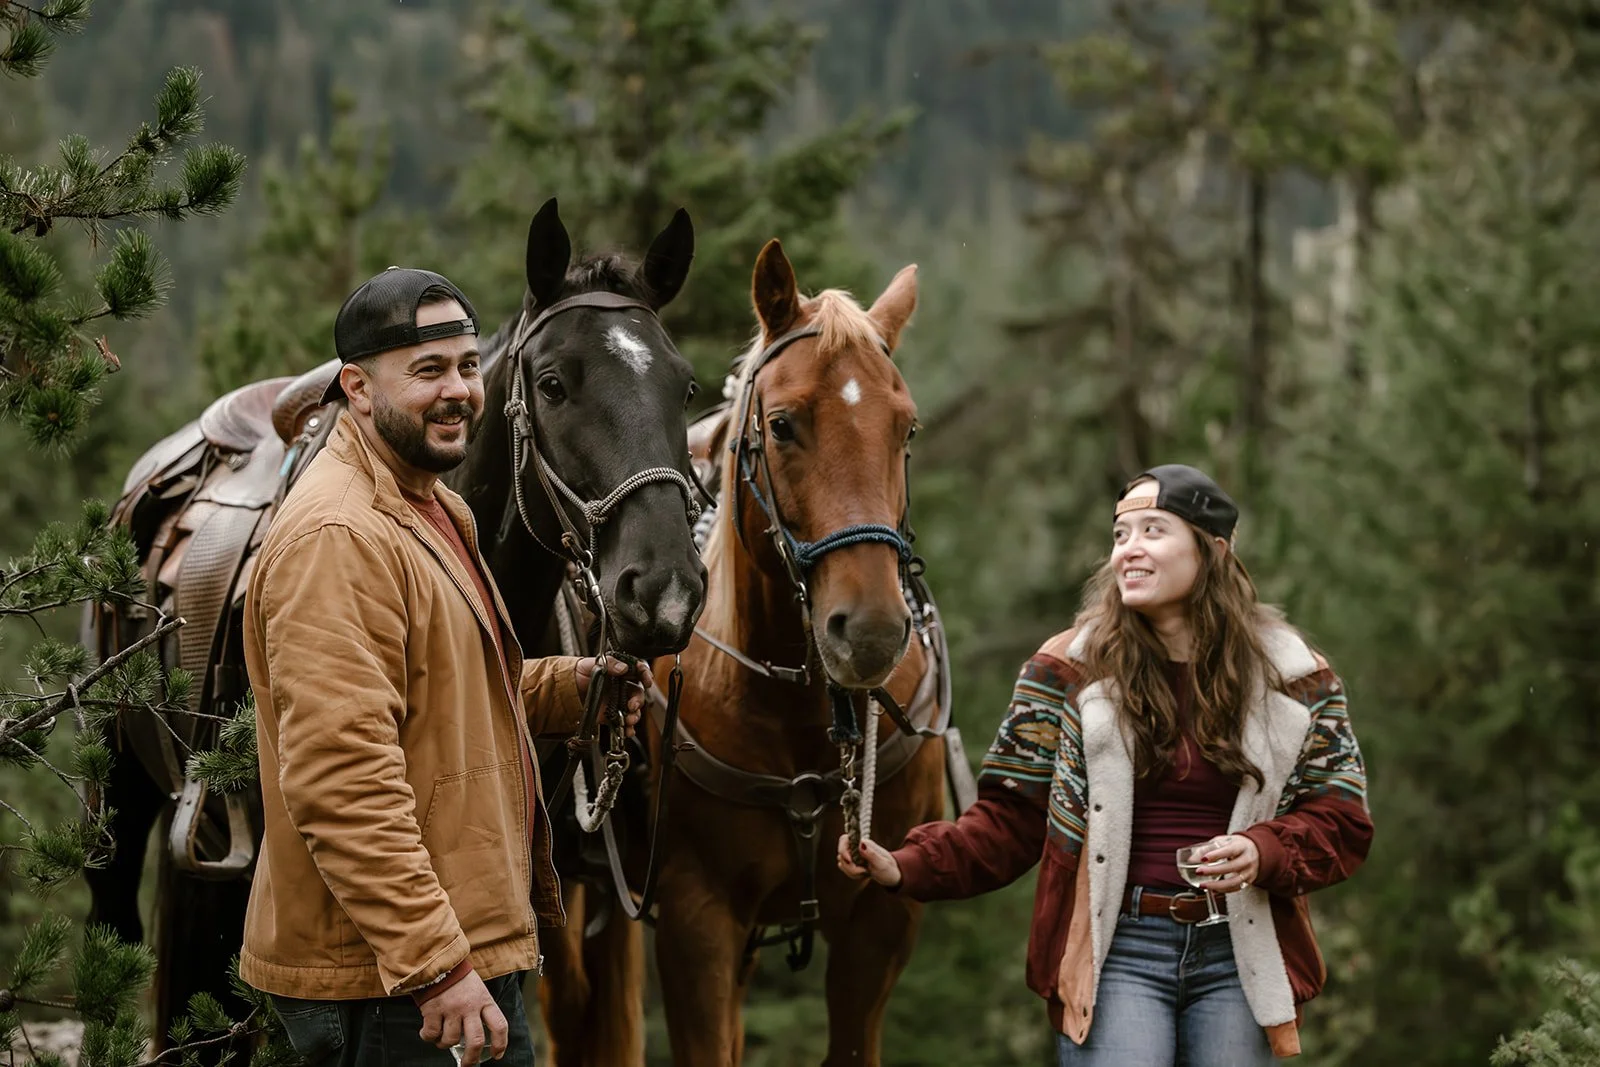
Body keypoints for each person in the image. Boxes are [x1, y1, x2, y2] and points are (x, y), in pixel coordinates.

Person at [240, 267, 650, 1067]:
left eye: (467, 365)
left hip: (443, 964)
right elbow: (342, 779)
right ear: (357, 388)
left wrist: (574, 689)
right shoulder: (340, 537)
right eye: (427, 371)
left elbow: (441, 697)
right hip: (391, 987)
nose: (459, 390)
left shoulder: (429, 505)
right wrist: (438, 968)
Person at [838, 464, 1373, 1064]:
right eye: (1120, 536)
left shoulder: (1296, 678)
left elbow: (1342, 821)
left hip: (1239, 954)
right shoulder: (1067, 669)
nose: (1129, 551)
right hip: (1116, 952)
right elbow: (1011, 819)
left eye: (1153, 531)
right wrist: (907, 864)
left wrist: (1264, 850)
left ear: (1214, 551)